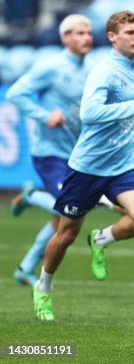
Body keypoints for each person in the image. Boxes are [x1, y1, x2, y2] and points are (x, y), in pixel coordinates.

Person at [32, 11, 134, 321]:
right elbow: (89, 113)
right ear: (113, 37)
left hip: (123, 164)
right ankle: (43, 286)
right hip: (87, 166)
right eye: (129, 32)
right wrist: (133, 105)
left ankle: (101, 238)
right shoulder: (104, 71)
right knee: (65, 236)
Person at [7, 15, 93, 286]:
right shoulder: (51, 67)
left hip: (74, 153)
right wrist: (44, 116)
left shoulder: (90, 69)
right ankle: (31, 195)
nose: (86, 37)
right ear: (65, 37)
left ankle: (25, 268)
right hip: (49, 152)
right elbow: (15, 94)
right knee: (67, 208)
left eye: (88, 32)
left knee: (62, 220)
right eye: (79, 33)